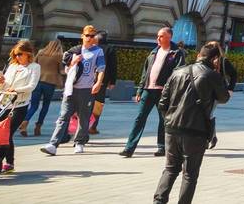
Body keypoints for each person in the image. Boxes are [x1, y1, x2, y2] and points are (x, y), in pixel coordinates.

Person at [152, 40, 231, 204]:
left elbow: (162, 104)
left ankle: (158, 201)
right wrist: (219, 73)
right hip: (196, 131)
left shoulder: (177, 72)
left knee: (170, 169)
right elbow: (224, 97)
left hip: (172, 128)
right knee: (190, 174)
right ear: (215, 59)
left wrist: (169, 120)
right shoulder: (211, 75)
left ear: (199, 55)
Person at [122, 26, 186, 157]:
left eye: (161, 36)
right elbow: (145, 72)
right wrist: (140, 90)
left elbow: (179, 73)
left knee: (164, 120)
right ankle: (129, 148)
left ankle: (162, 147)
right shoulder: (153, 52)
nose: (158, 38)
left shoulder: (176, 53)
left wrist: (169, 89)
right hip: (148, 90)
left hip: (164, 92)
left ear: (169, 37)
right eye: (157, 36)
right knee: (139, 118)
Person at [41, 23, 104, 155]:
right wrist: (74, 62)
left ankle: (80, 142)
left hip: (87, 89)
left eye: (92, 36)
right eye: (87, 35)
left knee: (84, 117)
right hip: (71, 88)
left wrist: (98, 82)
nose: (89, 38)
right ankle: (53, 144)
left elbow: (101, 68)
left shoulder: (98, 51)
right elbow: (66, 69)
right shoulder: (74, 51)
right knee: (63, 116)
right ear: (82, 36)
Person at [0, 39, 39, 177]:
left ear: (28, 53)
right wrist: (1, 83)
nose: (17, 57)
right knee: (4, 134)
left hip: (19, 105)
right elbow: (4, 87)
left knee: (6, 134)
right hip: (4, 103)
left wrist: (15, 89)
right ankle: (9, 163)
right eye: (16, 54)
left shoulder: (34, 67)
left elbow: (31, 86)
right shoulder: (12, 66)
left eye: (20, 54)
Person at [26, 36, 65, 136]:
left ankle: (24, 123)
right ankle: (38, 127)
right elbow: (61, 70)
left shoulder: (40, 52)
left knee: (33, 105)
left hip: (38, 81)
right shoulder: (58, 55)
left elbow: (34, 64)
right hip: (50, 83)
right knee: (45, 105)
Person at [88, 30, 116, 134]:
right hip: (102, 81)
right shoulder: (109, 49)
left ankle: (81, 126)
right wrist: (112, 81)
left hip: (88, 80)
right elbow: (113, 66)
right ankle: (92, 127)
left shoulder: (91, 48)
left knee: (85, 103)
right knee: (98, 104)